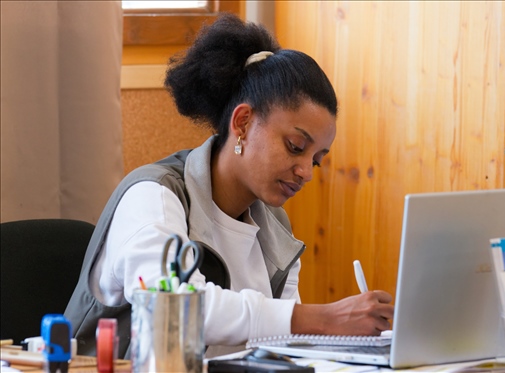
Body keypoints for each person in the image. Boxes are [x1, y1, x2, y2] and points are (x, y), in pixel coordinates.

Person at [64, 13, 394, 359]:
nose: (306, 172)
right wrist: (325, 318)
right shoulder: (154, 195)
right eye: (296, 147)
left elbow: (282, 344)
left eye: (315, 159)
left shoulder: (275, 226)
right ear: (243, 122)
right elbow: (174, 307)